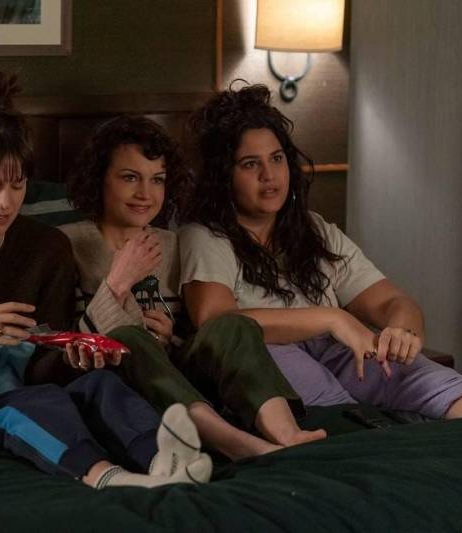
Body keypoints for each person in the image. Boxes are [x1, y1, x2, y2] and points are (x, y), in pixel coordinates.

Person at [0, 67, 212, 489]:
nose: (5, 203)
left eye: (17, 184)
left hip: (40, 393)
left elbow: (46, 366)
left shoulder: (46, 248)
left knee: (98, 383)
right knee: (32, 401)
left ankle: (165, 461)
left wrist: (73, 355)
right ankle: (107, 477)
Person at [179, 84, 462, 419]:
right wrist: (331, 318)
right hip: (268, 355)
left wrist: (401, 331)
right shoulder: (205, 235)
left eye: (276, 158)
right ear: (222, 176)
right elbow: (217, 322)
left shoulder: (315, 229)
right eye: (249, 164)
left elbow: (393, 302)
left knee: (445, 389)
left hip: (340, 353)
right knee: (342, 416)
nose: (269, 175)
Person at [60, 115, 325, 460]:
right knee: (127, 338)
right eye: (129, 178)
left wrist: (171, 338)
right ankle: (232, 442)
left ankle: (288, 434)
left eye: (157, 180)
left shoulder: (175, 245)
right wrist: (117, 284)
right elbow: (66, 354)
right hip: (117, 387)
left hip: (182, 383)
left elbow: (197, 347)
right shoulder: (66, 244)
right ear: (100, 180)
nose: (145, 194)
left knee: (232, 324)